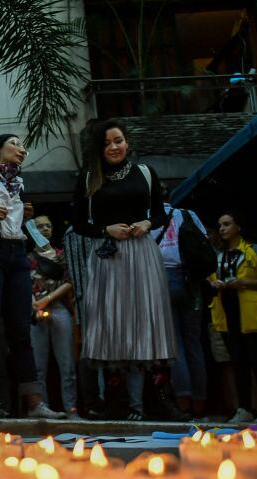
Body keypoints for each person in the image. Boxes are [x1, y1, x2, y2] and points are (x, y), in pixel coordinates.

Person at [69, 119, 181, 421]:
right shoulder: (89, 177)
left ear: (127, 142)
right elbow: (79, 222)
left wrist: (146, 223)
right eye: (107, 143)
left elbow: (159, 213)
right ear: (99, 148)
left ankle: (153, 401)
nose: (114, 147)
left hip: (143, 253)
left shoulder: (145, 173)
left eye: (118, 140)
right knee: (113, 324)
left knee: (145, 322)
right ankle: (117, 402)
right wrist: (107, 230)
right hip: (109, 255)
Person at [0, 135, 65, 419]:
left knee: (21, 327)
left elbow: (26, 226)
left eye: (23, 145)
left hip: (17, 252)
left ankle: (34, 402)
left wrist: (27, 219)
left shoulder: (18, 184)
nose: (22, 149)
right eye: (15, 143)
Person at [208, 213, 257, 424]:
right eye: (220, 225)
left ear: (238, 226)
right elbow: (209, 278)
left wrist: (244, 283)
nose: (222, 229)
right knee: (237, 362)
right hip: (227, 313)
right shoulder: (218, 255)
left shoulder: (255, 251)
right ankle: (244, 408)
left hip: (251, 314)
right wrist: (215, 284)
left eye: (227, 224)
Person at [152, 199, 211, 418]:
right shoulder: (187, 214)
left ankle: (183, 402)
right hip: (191, 281)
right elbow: (204, 242)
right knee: (194, 342)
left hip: (162, 280)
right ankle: (200, 403)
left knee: (175, 345)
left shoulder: (147, 219)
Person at [28, 215, 79, 416]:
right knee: (38, 365)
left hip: (57, 307)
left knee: (66, 363)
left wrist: (46, 299)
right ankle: (44, 408)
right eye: (40, 226)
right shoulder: (27, 258)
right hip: (34, 309)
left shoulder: (61, 255)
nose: (45, 229)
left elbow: (70, 280)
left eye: (48, 225)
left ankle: (71, 409)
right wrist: (33, 302)